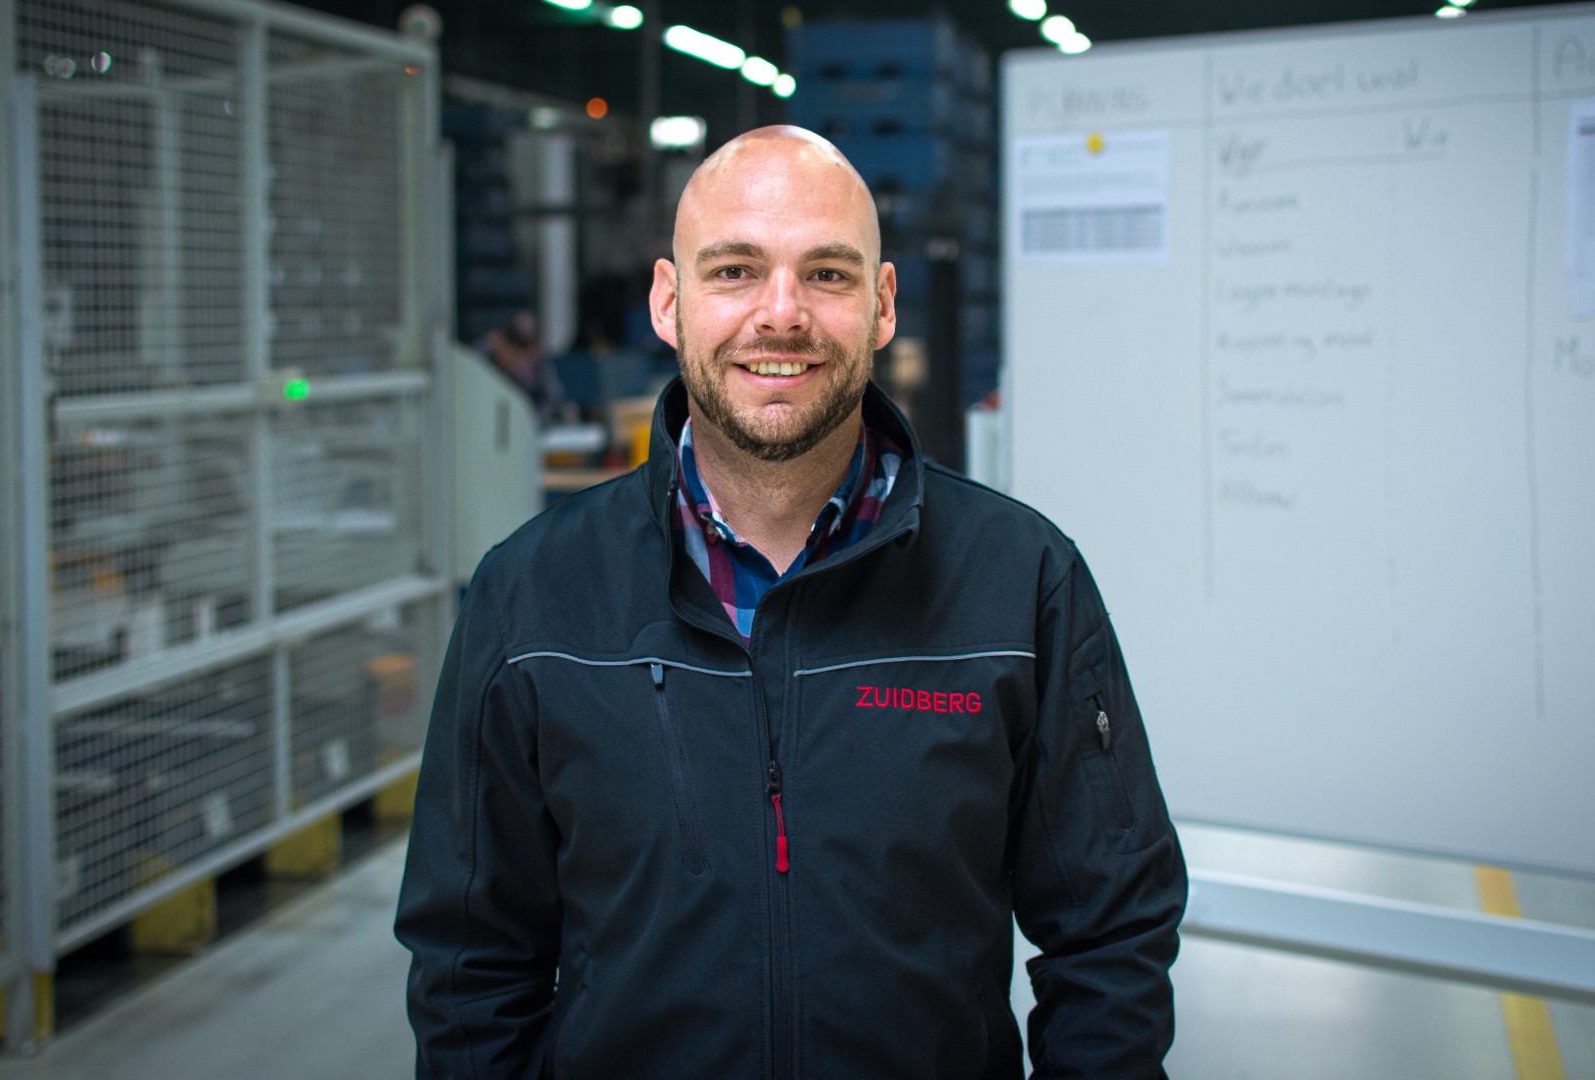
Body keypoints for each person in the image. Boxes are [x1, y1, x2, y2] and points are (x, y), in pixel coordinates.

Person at [395, 126, 1186, 1079]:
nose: (781, 314)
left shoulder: (1022, 583)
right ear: (668, 301)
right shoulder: (531, 597)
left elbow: (1111, 936)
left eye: (827, 274)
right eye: (735, 271)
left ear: (882, 304)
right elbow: (471, 965)